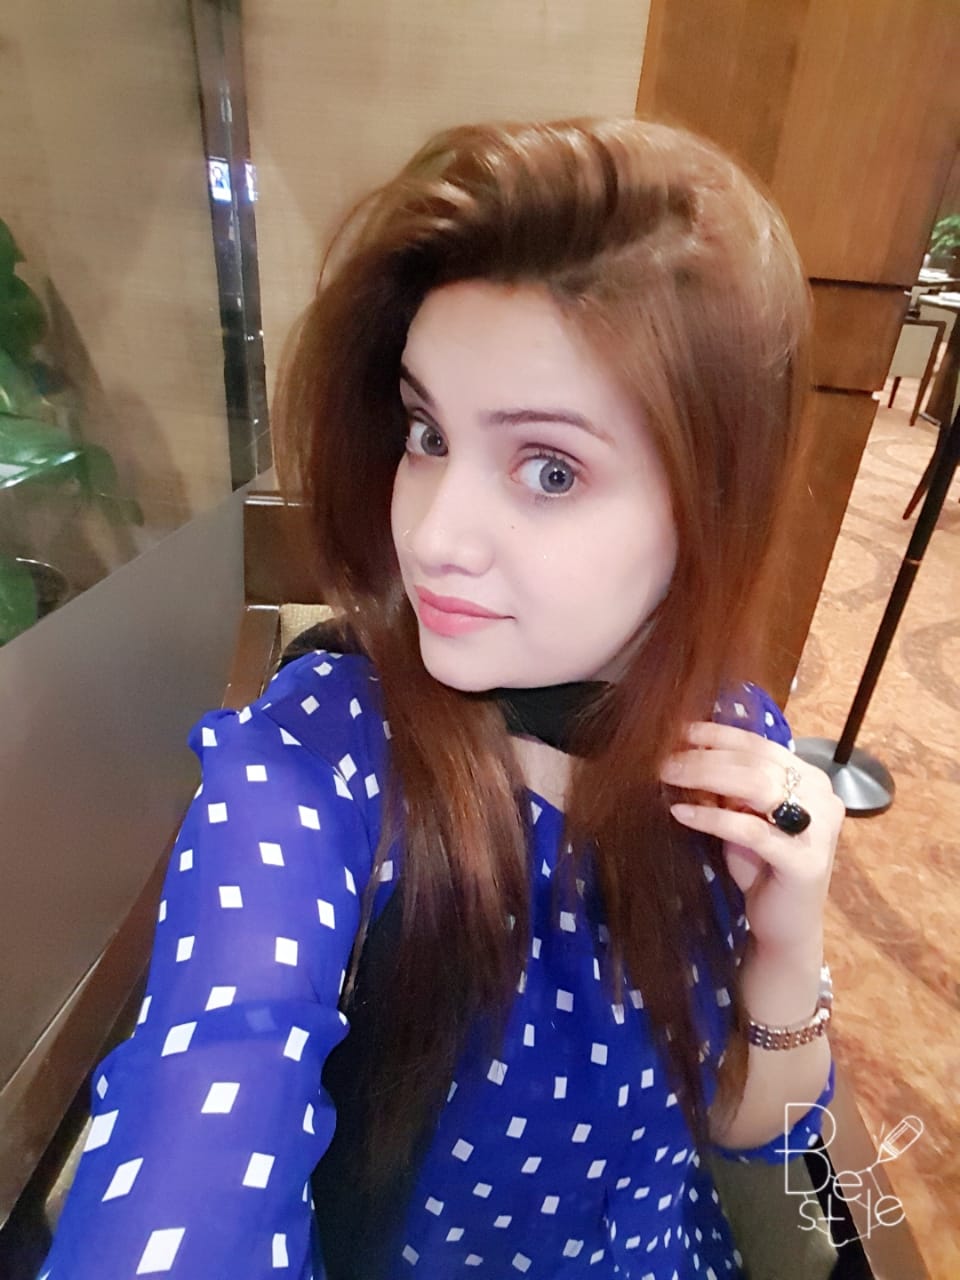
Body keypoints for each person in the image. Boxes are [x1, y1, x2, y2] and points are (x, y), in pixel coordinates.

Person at [37, 117, 843, 1280]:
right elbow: (208, 1085)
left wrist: (788, 933)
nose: (433, 534)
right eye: (426, 433)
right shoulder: (320, 757)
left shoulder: (735, 742)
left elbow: (756, 1128)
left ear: (711, 505)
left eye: (549, 469)